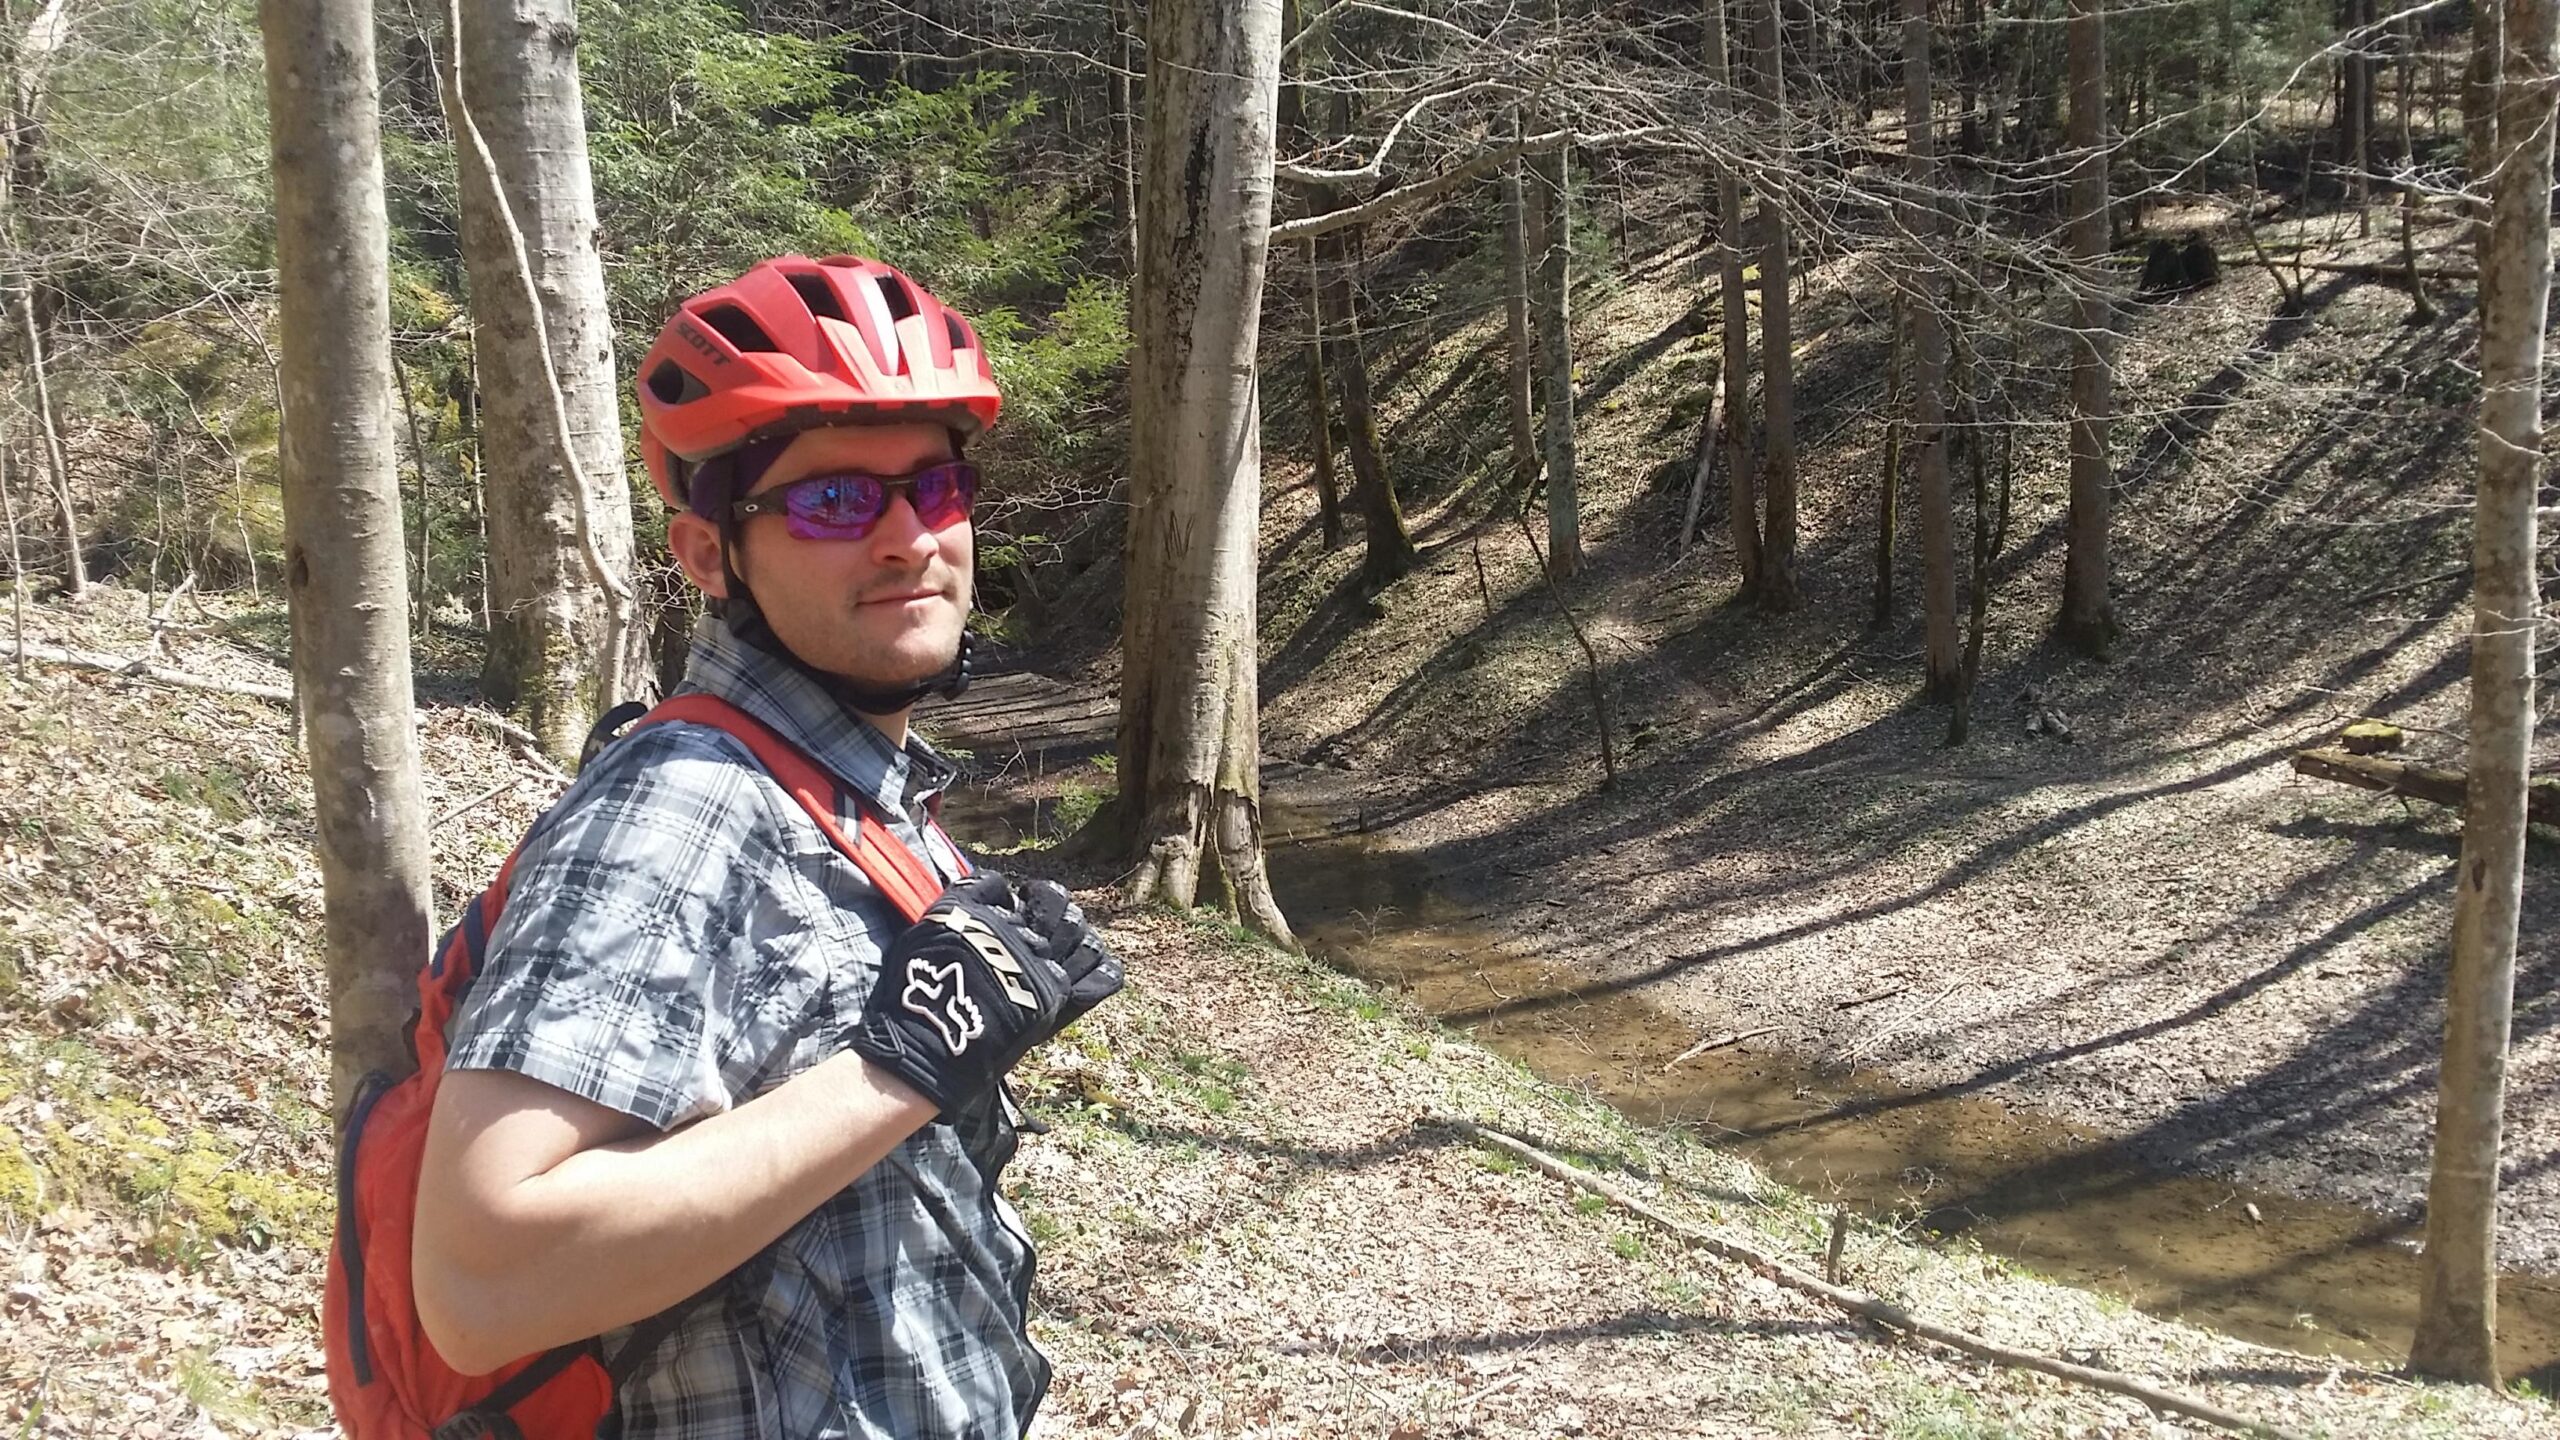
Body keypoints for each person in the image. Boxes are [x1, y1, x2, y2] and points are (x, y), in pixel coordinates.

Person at [408, 254, 1119, 1440]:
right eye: (834, 501)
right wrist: (903, 1066)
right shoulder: (682, 812)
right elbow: (480, 1287)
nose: (908, 539)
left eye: (935, 488)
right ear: (707, 555)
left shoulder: (841, 790)